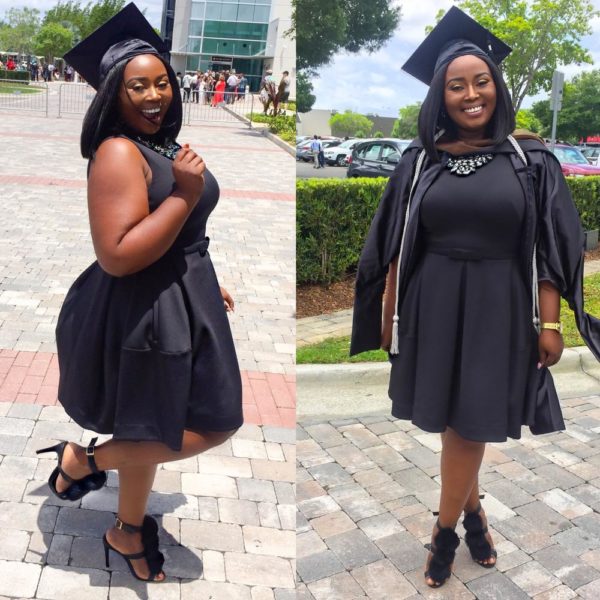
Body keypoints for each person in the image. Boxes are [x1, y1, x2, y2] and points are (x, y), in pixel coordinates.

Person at [351, 6, 600, 589]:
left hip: (499, 306)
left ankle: (443, 533)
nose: (470, 95)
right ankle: (474, 517)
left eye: (480, 81)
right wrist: (388, 315)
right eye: (456, 85)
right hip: (432, 304)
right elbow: (394, 244)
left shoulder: (530, 160)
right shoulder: (420, 161)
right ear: (439, 96)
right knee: (454, 421)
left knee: (470, 423)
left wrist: (551, 323)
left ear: (497, 86)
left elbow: (548, 248)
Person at [37, 3, 243, 583]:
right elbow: (118, 253)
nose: (155, 95)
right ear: (114, 93)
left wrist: (202, 274)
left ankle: (127, 529)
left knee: (149, 423)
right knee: (215, 423)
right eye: (138, 86)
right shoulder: (117, 152)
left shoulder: (159, 144)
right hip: (145, 310)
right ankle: (84, 460)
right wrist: (184, 194)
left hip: (182, 292)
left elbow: (179, 229)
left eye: (162, 83)